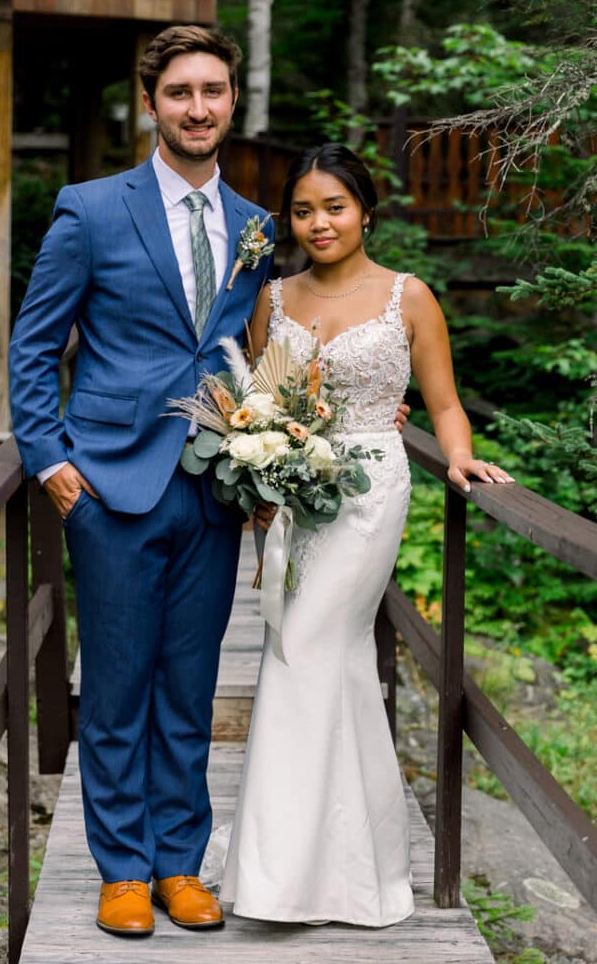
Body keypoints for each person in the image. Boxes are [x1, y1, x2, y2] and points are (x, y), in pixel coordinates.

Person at [8, 25, 277, 938]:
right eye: (180, 93)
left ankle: (179, 863)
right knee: (118, 687)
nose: (198, 108)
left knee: (188, 687)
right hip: (110, 484)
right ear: (152, 103)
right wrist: (50, 461)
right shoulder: (90, 210)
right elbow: (34, 346)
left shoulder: (255, 226)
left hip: (214, 486)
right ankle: (121, 868)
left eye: (212, 91)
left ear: (230, 100)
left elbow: (257, 352)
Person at [221, 143, 514, 926]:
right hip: (294, 493)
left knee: (305, 647)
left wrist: (460, 458)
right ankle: (348, 864)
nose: (319, 223)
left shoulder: (407, 297)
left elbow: (443, 403)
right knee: (326, 659)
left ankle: (285, 873)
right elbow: (257, 401)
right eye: (303, 211)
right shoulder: (272, 298)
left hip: (370, 494)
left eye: (335, 207)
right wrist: (261, 474)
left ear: (366, 212)